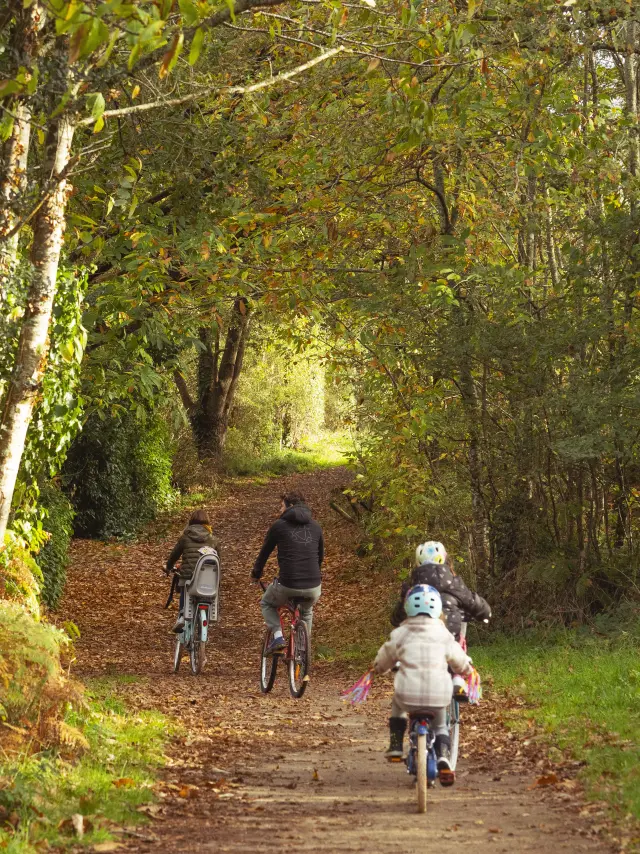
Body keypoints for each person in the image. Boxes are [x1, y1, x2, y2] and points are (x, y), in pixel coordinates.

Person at [375, 584, 472, 783]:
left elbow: (385, 658)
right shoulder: (444, 635)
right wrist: (468, 671)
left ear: (408, 607)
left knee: (397, 704)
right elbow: (459, 660)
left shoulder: (401, 634)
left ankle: (395, 744)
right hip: (438, 694)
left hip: (407, 695)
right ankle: (444, 754)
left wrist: (377, 668)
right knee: (441, 724)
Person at [391, 540, 490, 700]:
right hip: (447, 634)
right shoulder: (452, 581)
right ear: (444, 559)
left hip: (418, 636)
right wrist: (485, 612)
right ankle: (457, 676)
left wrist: (395, 619)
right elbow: (470, 601)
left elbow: (402, 609)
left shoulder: (411, 584)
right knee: (456, 641)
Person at [251, 492, 324, 655]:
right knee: (307, 610)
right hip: (313, 586)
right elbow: (320, 557)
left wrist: (256, 574)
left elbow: (264, 553)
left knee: (267, 603)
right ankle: (303, 649)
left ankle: (277, 637)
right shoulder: (316, 527)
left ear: (290, 506)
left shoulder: (278, 526)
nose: (280, 509)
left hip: (287, 584)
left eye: (282, 505)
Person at [165, 509, 220, 633]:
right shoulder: (213, 539)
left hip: (188, 577)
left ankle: (181, 617)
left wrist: (169, 567)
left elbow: (174, 555)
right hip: (207, 580)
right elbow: (218, 561)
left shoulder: (185, 537)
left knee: (185, 586)